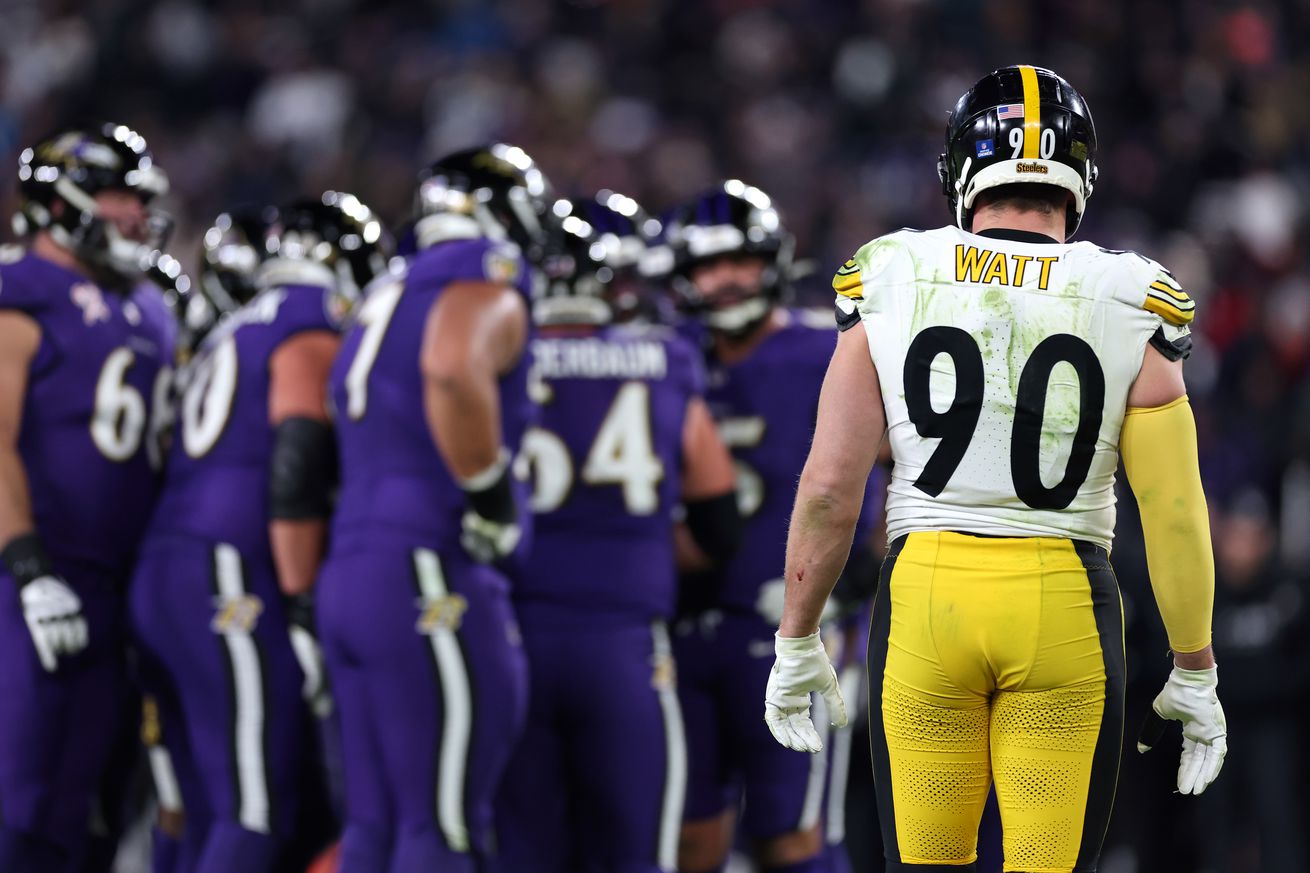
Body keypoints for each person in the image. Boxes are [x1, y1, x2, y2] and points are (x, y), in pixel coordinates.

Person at [764, 65, 1228, 872]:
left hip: (925, 602)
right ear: (1078, 173)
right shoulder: (1130, 293)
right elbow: (1176, 509)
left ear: (960, 169)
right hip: (1064, 606)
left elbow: (832, 488)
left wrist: (796, 635)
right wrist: (1195, 665)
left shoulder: (892, 272)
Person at [128, 191, 391, 873]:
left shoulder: (235, 324)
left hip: (170, 566)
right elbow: (295, 463)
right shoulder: (308, 323)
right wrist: (302, 598)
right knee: (256, 811)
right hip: (231, 571)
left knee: (199, 809)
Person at [316, 144, 559, 873]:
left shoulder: (384, 292)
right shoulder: (482, 270)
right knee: (443, 824)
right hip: (428, 561)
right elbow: (452, 371)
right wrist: (489, 496)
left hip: (353, 566)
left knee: (373, 827)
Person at [495, 199, 740, 873]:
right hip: (623, 643)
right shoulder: (662, 361)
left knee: (522, 851)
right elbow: (717, 520)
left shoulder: (489, 362)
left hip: (512, 636)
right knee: (636, 853)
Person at [665, 181, 881, 873]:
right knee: (689, 841)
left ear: (773, 261)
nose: (725, 281)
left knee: (793, 838)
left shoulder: (830, 347)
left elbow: (911, 457)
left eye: (741, 261)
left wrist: (870, 571)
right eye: (707, 265)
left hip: (794, 631)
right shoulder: (673, 359)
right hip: (685, 629)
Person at [0, 123, 173, 871]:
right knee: (20, 796)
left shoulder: (151, 304)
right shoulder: (20, 296)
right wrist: (27, 565)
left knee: (95, 801)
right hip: (30, 578)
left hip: (121, 585)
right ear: (60, 203)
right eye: (117, 194)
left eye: (140, 196)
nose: (134, 212)